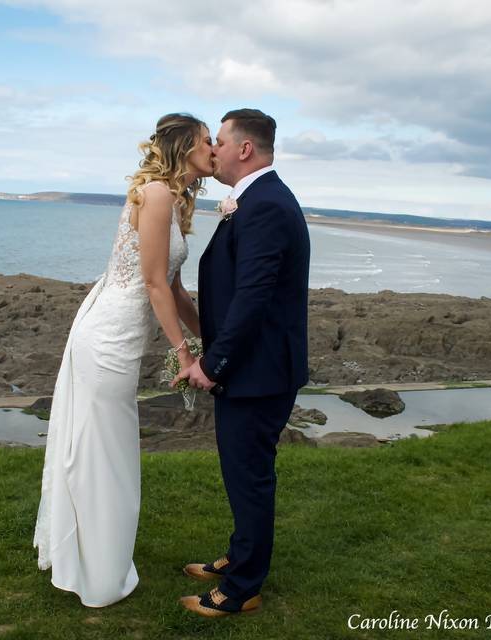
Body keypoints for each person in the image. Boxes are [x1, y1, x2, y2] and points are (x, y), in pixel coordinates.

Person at [33, 113, 214, 607]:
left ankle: (98, 556)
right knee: (103, 453)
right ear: (182, 148)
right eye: (205, 141)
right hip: (109, 335)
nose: (213, 148)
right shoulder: (156, 194)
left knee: (109, 451)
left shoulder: (174, 199)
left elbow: (174, 288)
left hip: (124, 334)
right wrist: (183, 352)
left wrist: (211, 339)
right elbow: (153, 283)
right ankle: (94, 570)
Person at [173, 108, 311, 617]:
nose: (215, 151)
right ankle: (239, 555)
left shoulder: (267, 205)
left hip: (258, 372)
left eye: (221, 142)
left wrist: (212, 364)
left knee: (249, 475)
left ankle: (241, 589)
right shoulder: (255, 200)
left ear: (245, 149)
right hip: (254, 369)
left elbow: (253, 296)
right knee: (242, 472)